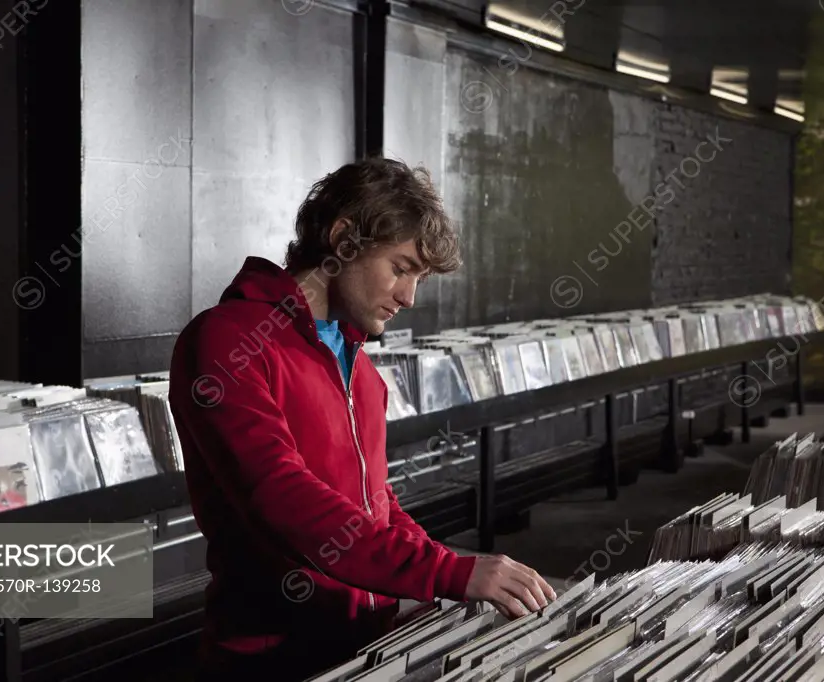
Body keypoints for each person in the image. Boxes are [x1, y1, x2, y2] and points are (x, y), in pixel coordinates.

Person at [169, 158, 555, 681]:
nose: (409, 297)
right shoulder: (227, 341)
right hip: (272, 660)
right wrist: (447, 571)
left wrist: (449, 568)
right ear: (343, 238)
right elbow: (281, 498)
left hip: (367, 649)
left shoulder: (362, 370)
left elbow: (376, 504)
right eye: (400, 267)